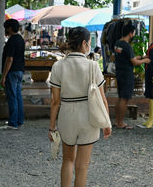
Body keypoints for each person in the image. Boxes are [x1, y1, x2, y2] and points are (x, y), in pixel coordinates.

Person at [48, 27, 111, 187]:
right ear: (84, 43)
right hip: (88, 116)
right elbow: (102, 99)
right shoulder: (93, 66)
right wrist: (107, 122)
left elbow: (55, 101)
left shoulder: (58, 66)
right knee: (82, 166)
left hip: (67, 116)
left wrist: (52, 127)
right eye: (89, 43)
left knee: (67, 161)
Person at [114, 24, 150, 129]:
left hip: (119, 73)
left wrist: (141, 56)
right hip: (127, 74)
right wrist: (145, 60)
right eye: (133, 33)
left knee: (120, 98)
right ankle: (120, 123)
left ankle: (117, 121)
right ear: (130, 33)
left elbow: (129, 57)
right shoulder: (127, 45)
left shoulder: (117, 43)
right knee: (124, 99)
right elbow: (133, 61)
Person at [0, 19, 26, 130]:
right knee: (18, 96)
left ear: (10, 28)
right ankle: (19, 120)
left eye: (6, 27)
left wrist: (3, 76)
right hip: (19, 71)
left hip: (12, 72)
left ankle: (13, 122)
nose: (5, 29)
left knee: (12, 97)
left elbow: (9, 59)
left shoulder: (12, 41)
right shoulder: (20, 39)